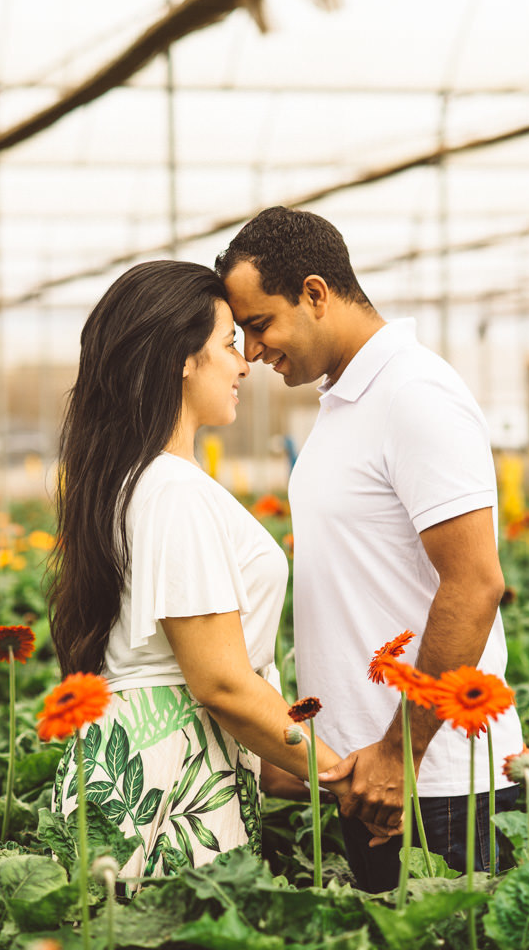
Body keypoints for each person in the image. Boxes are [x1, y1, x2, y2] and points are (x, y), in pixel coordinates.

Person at [215, 207, 524, 892]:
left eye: (260, 324)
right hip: (369, 782)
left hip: (436, 787)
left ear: (316, 293)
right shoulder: (345, 401)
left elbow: (474, 584)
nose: (253, 351)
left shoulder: (414, 394)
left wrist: (399, 755)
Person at [47, 259, 356, 883]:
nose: (245, 364)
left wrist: (282, 764)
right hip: (167, 779)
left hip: (144, 761)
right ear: (181, 360)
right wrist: (339, 774)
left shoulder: (130, 480)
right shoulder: (174, 491)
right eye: (227, 345)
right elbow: (220, 682)